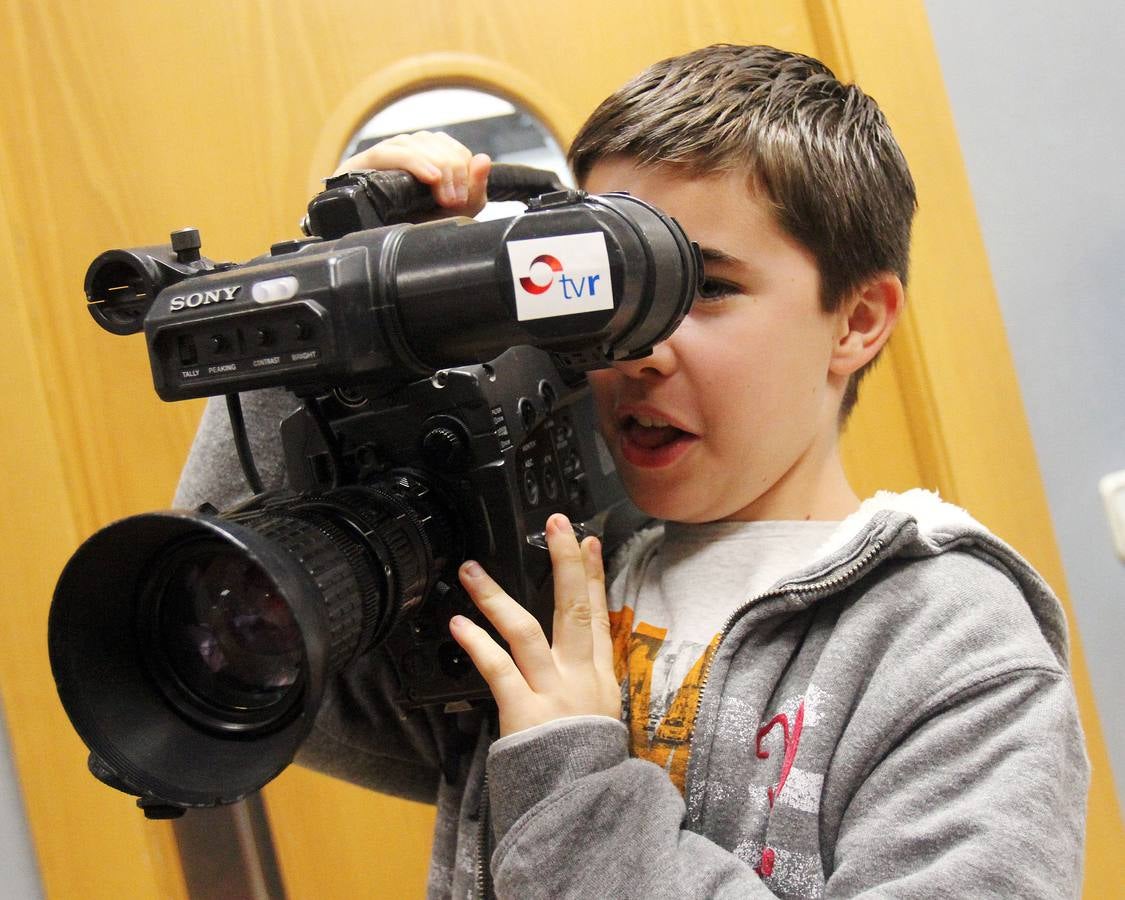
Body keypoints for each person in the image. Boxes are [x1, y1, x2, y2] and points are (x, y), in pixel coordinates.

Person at [176, 45, 1089, 898]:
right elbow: (239, 642)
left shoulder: (950, 646)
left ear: (855, 321)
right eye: (612, 287)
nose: (638, 348)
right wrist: (338, 290)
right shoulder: (544, 582)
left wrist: (574, 783)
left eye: (706, 288)